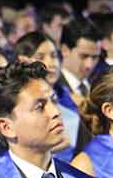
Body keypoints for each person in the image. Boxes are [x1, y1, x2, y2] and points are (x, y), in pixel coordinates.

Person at [15, 31, 91, 161]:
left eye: (54, 56)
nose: (51, 63)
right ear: (22, 60)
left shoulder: (68, 100)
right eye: (41, 56)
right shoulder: (15, 101)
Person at [59, 18, 103, 103]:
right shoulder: (52, 88)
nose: (89, 65)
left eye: (95, 57)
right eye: (83, 56)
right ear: (65, 50)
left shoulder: (99, 86)